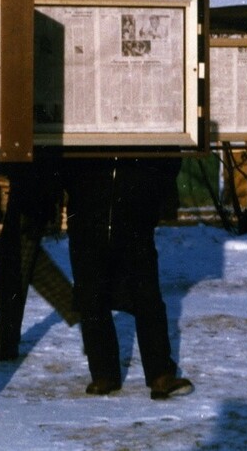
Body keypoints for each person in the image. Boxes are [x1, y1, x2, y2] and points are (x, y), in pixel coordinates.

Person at [63, 156, 193, 399]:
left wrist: (151, 193)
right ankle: (103, 373)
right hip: (87, 216)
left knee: (147, 296)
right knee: (91, 296)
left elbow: (170, 156)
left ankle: (160, 374)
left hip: (135, 218)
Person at [0, 159, 66, 362]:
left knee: (13, 263)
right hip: (32, 184)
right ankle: (82, 309)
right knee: (22, 262)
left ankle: (4, 343)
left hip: (33, 187)